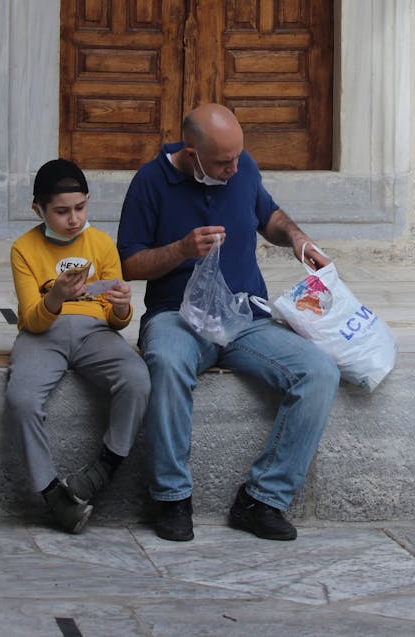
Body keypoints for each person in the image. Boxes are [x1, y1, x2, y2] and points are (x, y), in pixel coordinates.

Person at [117, 103, 340, 543]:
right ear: (191, 152)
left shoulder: (242, 168)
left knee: (319, 372)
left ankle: (263, 500)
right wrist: (180, 249)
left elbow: (269, 216)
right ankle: (171, 497)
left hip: (245, 318)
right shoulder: (150, 181)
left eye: (238, 157)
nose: (234, 168)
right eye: (222, 162)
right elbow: (129, 263)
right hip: (177, 317)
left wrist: (296, 239)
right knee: (165, 362)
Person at [6, 158, 151, 533]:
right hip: (43, 335)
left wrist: (121, 307)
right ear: (38, 210)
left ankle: (104, 468)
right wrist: (55, 295)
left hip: (94, 333)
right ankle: (52, 494)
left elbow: (117, 319)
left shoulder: (101, 243)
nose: (73, 219)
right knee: (21, 399)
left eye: (80, 208)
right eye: (61, 212)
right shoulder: (24, 249)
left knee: (136, 379)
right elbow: (31, 319)